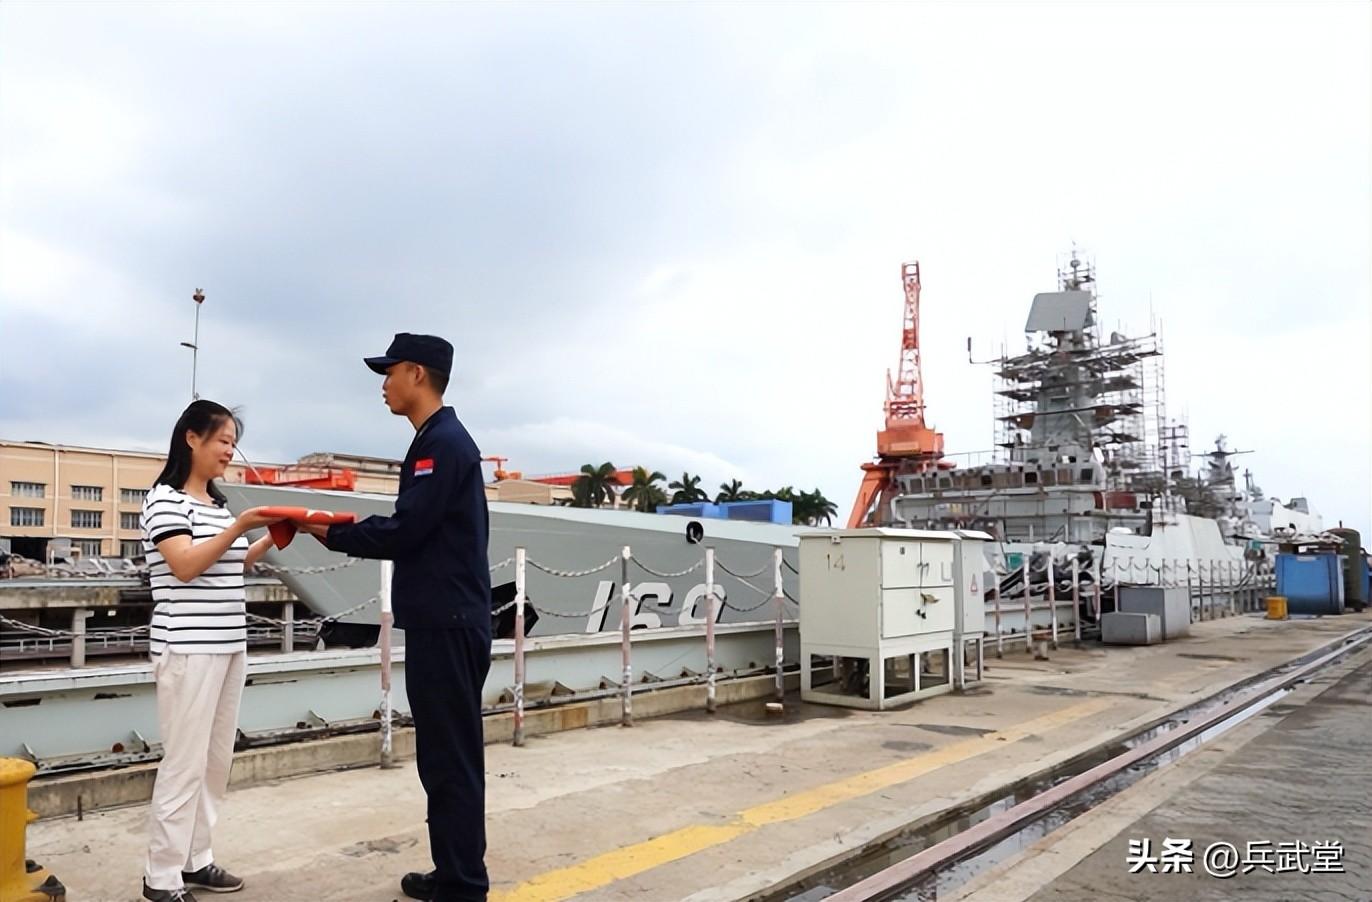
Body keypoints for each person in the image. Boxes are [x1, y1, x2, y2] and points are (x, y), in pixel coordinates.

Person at [297, 333, 492, 902]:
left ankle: (463, 885)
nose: (383, 385)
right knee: (442, 757)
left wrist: (333, 533)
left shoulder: (441, 445)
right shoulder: (437, 440)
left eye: (389, 372)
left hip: (447, 625)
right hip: (445, 620)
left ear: (417, 374)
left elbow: (407, 530)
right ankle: (453, 872)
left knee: (450, 760)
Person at [141, 400, 279, 902]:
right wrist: (240, 528)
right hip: (187, 648)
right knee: (183, 763)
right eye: (222, 440)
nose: (229, 451)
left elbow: (229, 562)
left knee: (216, 761)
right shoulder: (164, 501)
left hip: (228, 646)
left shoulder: (216, 507)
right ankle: (161, 877)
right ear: (191, 438)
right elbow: (184, 565)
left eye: (232, 443)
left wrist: (274, 535)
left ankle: (196, 858)